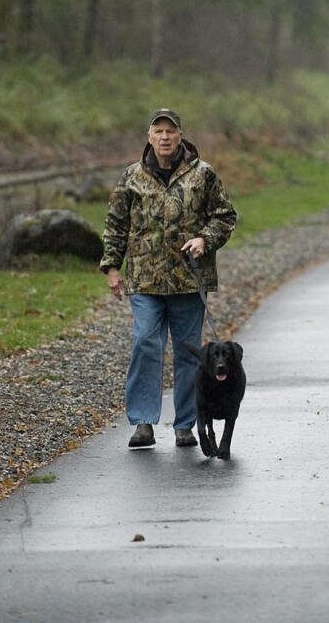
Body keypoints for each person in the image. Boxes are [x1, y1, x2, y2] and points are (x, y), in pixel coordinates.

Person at [99, 108, 238, 448]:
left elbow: (225, 216)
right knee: (146, 342)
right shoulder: (131, 177)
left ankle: (186, 425)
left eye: (170, 131)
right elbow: (116, 224)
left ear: (180, 136)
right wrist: (112, 267)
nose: (164, 137)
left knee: (190, 354)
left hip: (189, 281)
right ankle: (143, 423)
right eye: (158, 131)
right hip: (144, 279)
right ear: (149, 137)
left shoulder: (203, 174)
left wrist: (205, 238)